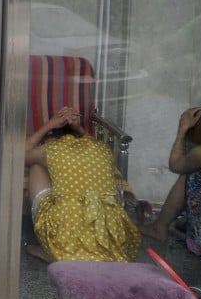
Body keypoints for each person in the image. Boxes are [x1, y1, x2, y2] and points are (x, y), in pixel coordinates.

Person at [24, 107, 140, 263]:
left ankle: (52, 250)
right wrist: (78, 128)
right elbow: (88, 139)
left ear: (51, 136)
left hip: (66, 233)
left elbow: (21, 154)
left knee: (37, 167)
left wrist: (48, 125)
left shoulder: (51, 149)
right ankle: (82, 251)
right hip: (112, 236)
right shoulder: (101, 148)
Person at [140, 107, 201, 266]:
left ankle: (160, 227)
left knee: (187, 173)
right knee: (200, 175)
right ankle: (165, 225)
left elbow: (175, 165)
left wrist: (181, 130)